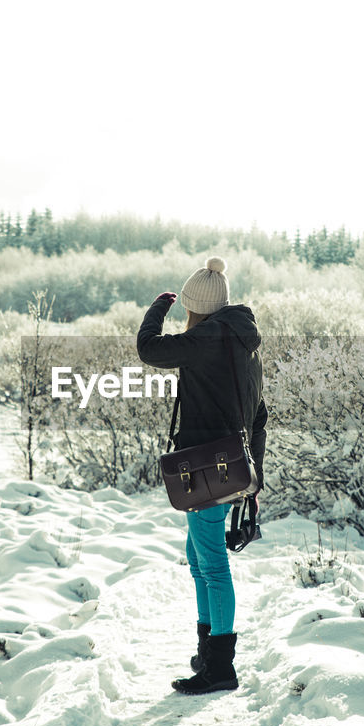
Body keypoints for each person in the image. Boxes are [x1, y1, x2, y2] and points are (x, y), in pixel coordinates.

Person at [137, 256, 267, 695]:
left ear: (195, 306)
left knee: (211, 564)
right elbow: (260, 416)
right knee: (199, 559)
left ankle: (220, 667)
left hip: (208, 468)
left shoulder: (207, 339)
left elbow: (149, 349)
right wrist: (255, 478)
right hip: (230, 465)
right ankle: (208, 651)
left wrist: (158, 307)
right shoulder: (244, 345)